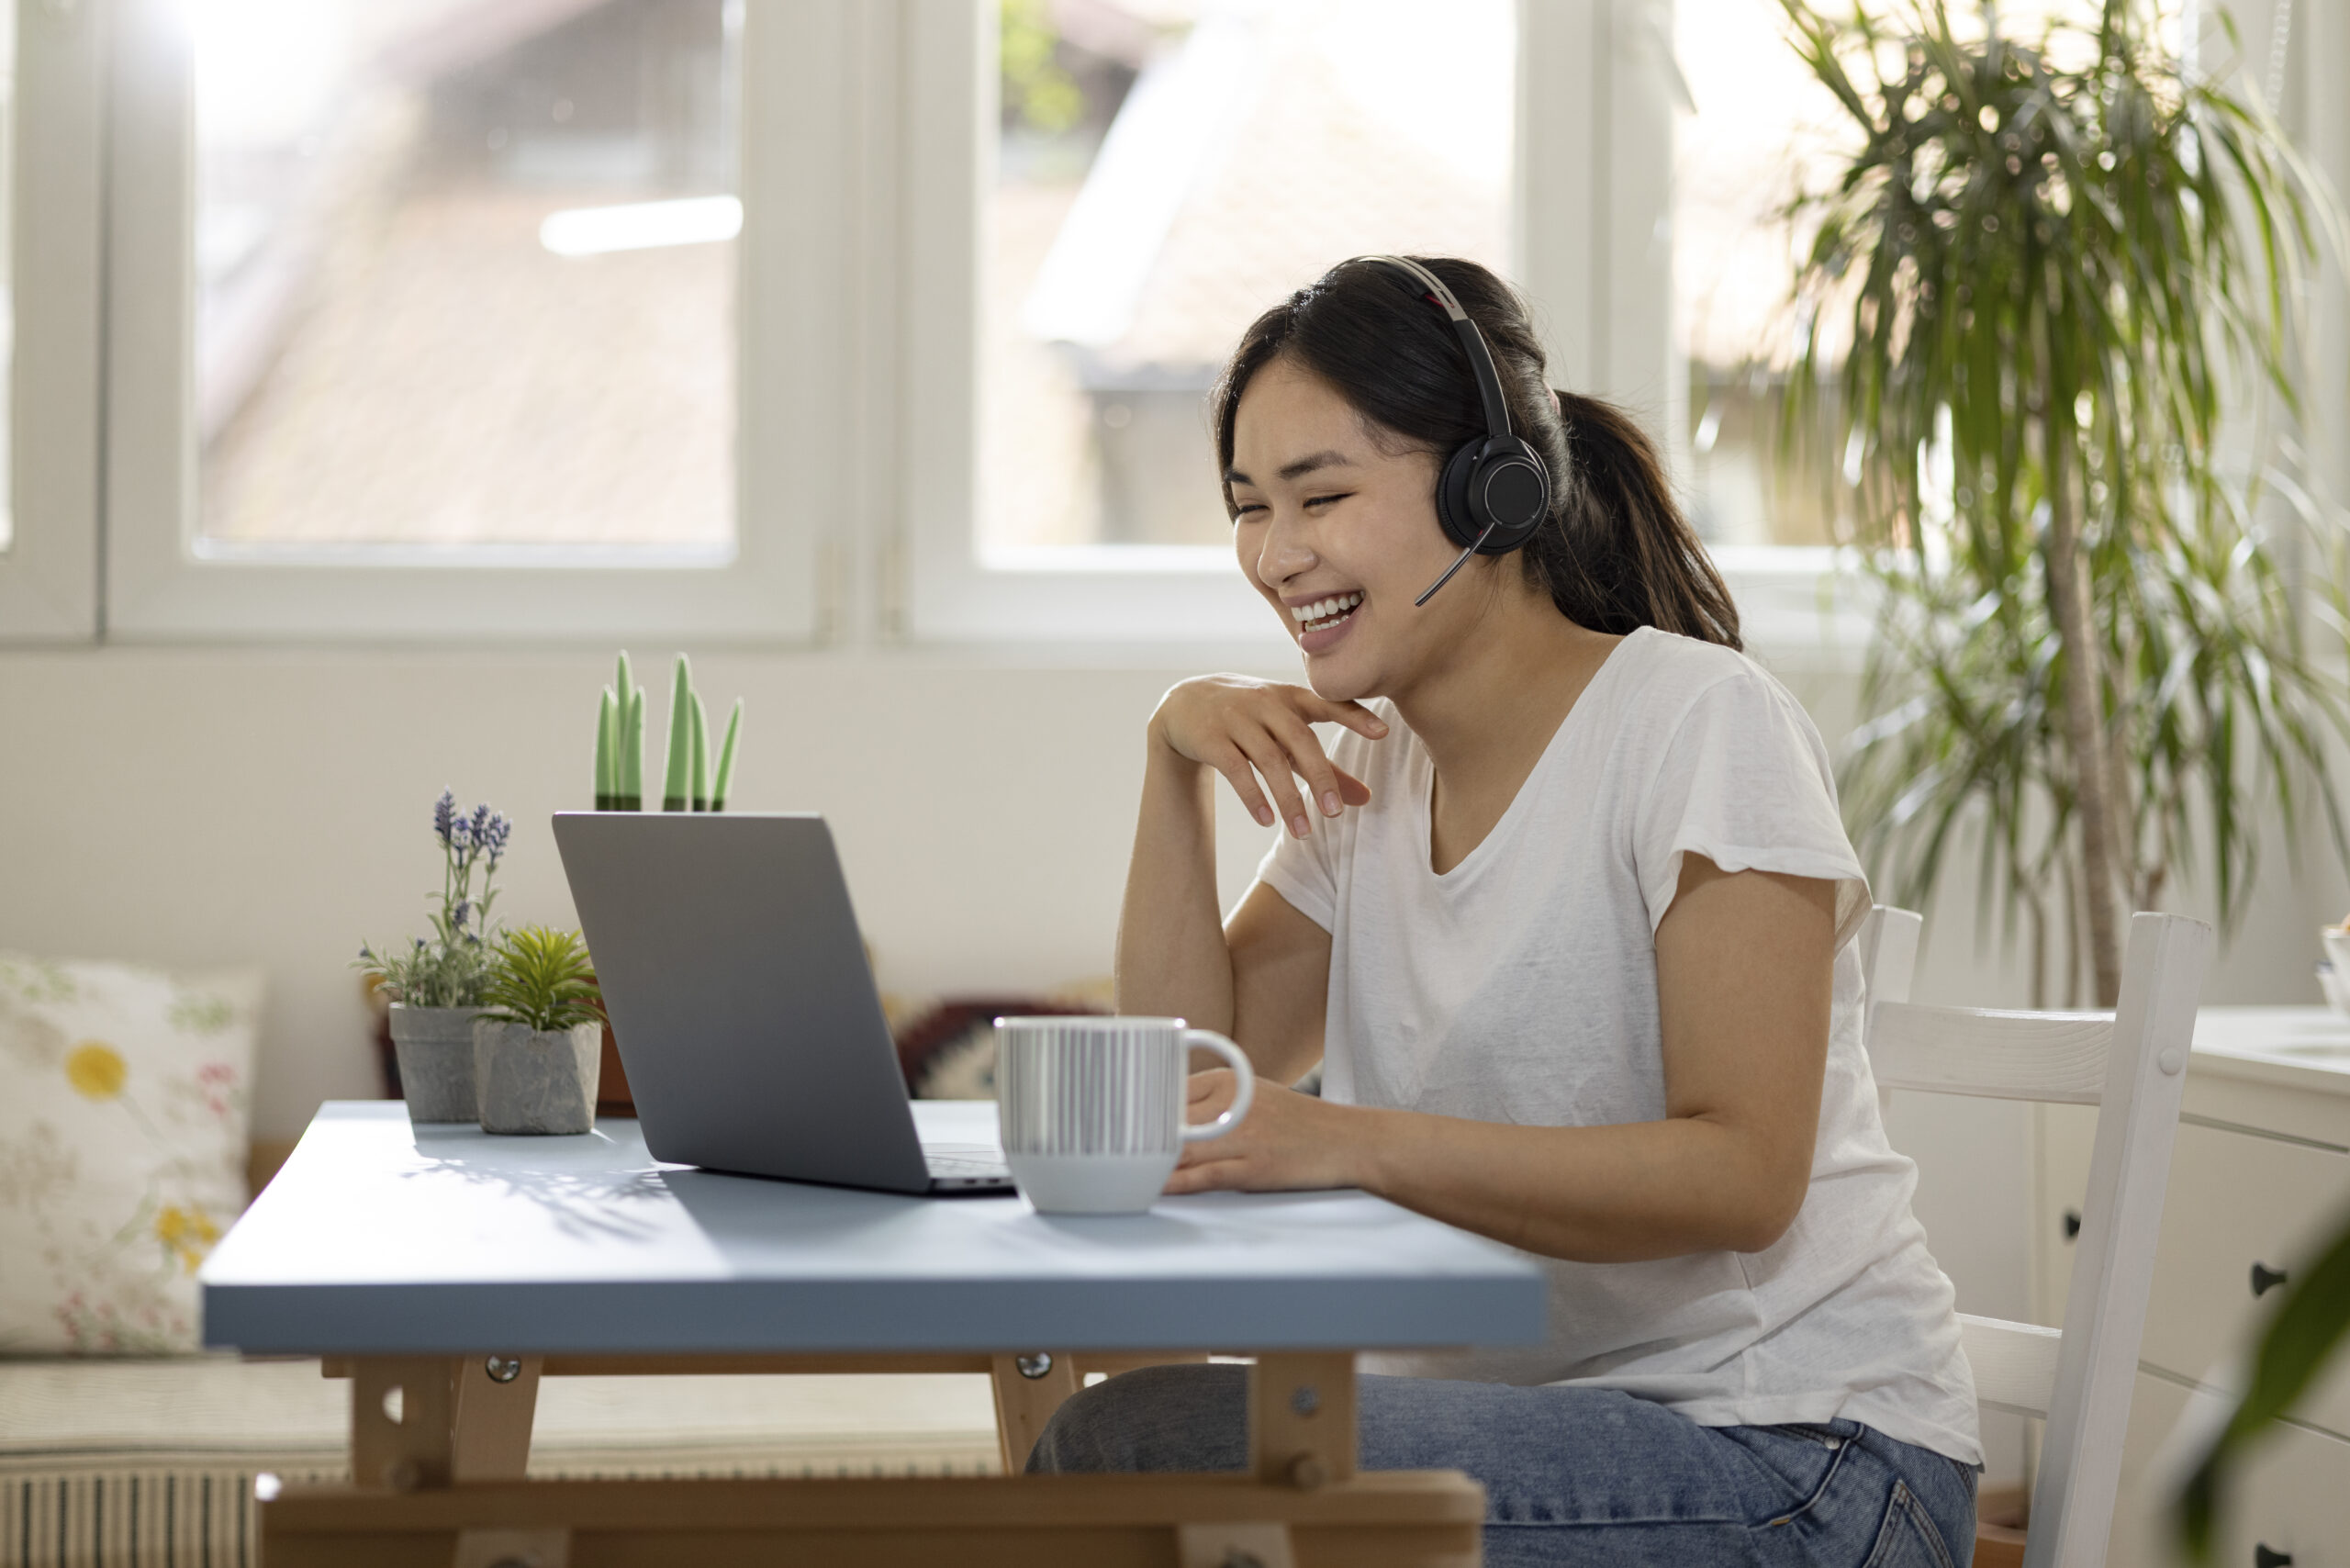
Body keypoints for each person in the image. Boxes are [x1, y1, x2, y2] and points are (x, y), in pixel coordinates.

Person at [1027, 255, 1982, 1568]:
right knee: (1124, 1438)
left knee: (1131, 1448)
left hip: (1796, 1456)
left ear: (1494, 487)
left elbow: (1744, 1174)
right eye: (1251, 508)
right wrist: (1170, 762)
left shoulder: (1699, 725)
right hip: (1551, 1429)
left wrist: (1350, 1141)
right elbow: (1201, 1065)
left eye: (1322, 495)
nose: (1274, 554)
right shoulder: (1367, 770)